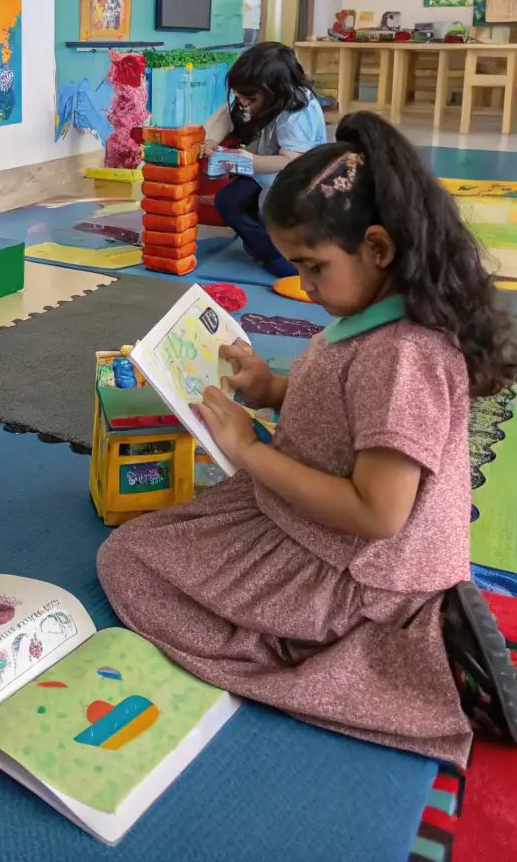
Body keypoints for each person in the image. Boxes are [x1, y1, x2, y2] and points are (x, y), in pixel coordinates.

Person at [99, 112, 517, 766]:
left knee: (128, 564)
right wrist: (270, 388)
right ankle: (317, 633)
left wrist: (250, 451)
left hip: (359, 571)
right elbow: (343, 399)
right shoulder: (375, 309)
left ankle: (347, 652)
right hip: (311, 520)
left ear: (378, 248)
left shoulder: (403, 354)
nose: (306, 286)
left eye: (313, 267)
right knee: (156, 540)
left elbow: (378, 513)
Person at [203, 42, 327, 278]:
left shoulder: (296, 112)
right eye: (239, 95)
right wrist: (211, 141)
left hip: (297, 176)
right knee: (228, 201)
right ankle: (266, 247)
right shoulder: (252, 98)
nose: (242, 102)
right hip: (264, 169)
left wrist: (247, 160)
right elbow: (227, 117)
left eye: (249, 98)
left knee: (278, 214)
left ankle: (283, 255)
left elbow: (290, 160)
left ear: (275, 92)